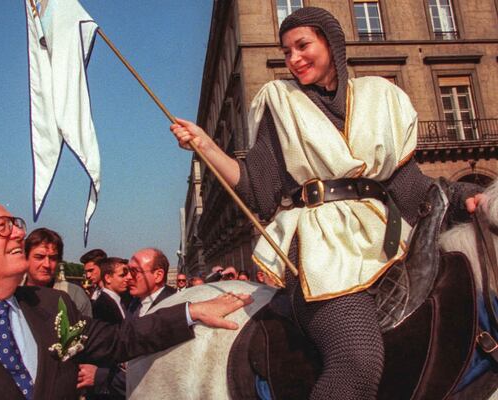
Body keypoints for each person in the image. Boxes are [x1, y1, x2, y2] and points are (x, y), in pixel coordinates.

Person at [171, 7, 482, 399]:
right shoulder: (280, 103)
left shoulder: (380, 96)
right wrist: (205, 145)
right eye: (286, 52)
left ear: (331, 44)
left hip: (388, 244)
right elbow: (258, 191)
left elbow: (409, 186)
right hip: (322, 255)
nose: (294, 59)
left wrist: (464, 196)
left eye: (303, 46)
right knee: (358, 360)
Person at [0, 196, 252, 399]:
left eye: (15, 223)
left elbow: (120, 339)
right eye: (1, 226)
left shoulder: (50, 307)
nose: (19, 232)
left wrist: (191, 310)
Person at [80, 257, 131, 400]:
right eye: (122, 275)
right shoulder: (102, 305)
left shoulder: (121, 301)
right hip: (107, 383)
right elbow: (103, 345)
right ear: (108, 278)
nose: (128, 278)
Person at [24, 227, 92, 317]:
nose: (47, 264)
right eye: (39, 257)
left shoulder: (74, 295)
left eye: (53, 258)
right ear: (25, 258)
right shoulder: (12, 292)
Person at [128, 248, 178, 317]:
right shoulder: (133, 303)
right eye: (128, 271)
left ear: (158, 276)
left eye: (134, 271)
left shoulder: (175, 304)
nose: (128, 277)